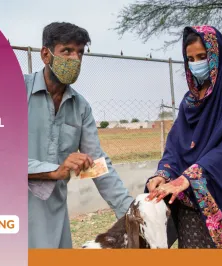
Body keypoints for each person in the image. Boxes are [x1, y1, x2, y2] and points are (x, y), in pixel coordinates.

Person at [145, 25, 222, 249]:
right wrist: (163, 174)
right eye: (190, 58)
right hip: (190, 206)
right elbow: (176, 145)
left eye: (202, 56)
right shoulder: (189, 101)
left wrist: (188, 177)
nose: (196, 64)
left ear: (217, 54)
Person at [26, 22, 134, 248]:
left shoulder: (80, 107)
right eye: (66, 51)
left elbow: (97, 165)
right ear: (46, 54)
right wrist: (55, 170)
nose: (75, 59)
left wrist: (131, 213)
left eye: (80, 53)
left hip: (54, 216)